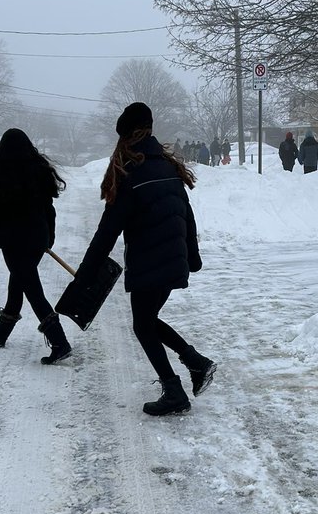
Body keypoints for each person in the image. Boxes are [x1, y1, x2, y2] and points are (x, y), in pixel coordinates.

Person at [75, 102, 216, 416]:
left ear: (125, 135)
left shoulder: (129, 173)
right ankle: (194, 362)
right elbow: (186, 216)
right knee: (147, 320)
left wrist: (84, 276)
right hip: (171, 257)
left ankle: (175, 388)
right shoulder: (168, 166)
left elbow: (106, 233)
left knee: (142, 323)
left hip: (150, 261)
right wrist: (191, 257)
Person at [0, 128, 72, 364]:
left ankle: (59, 342)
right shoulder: (38, 169)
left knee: (32, 290)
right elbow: (49, 209)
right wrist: (49, 237)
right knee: (18, 283)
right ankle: (1, 333)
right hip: (37, 238)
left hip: (12, 240)